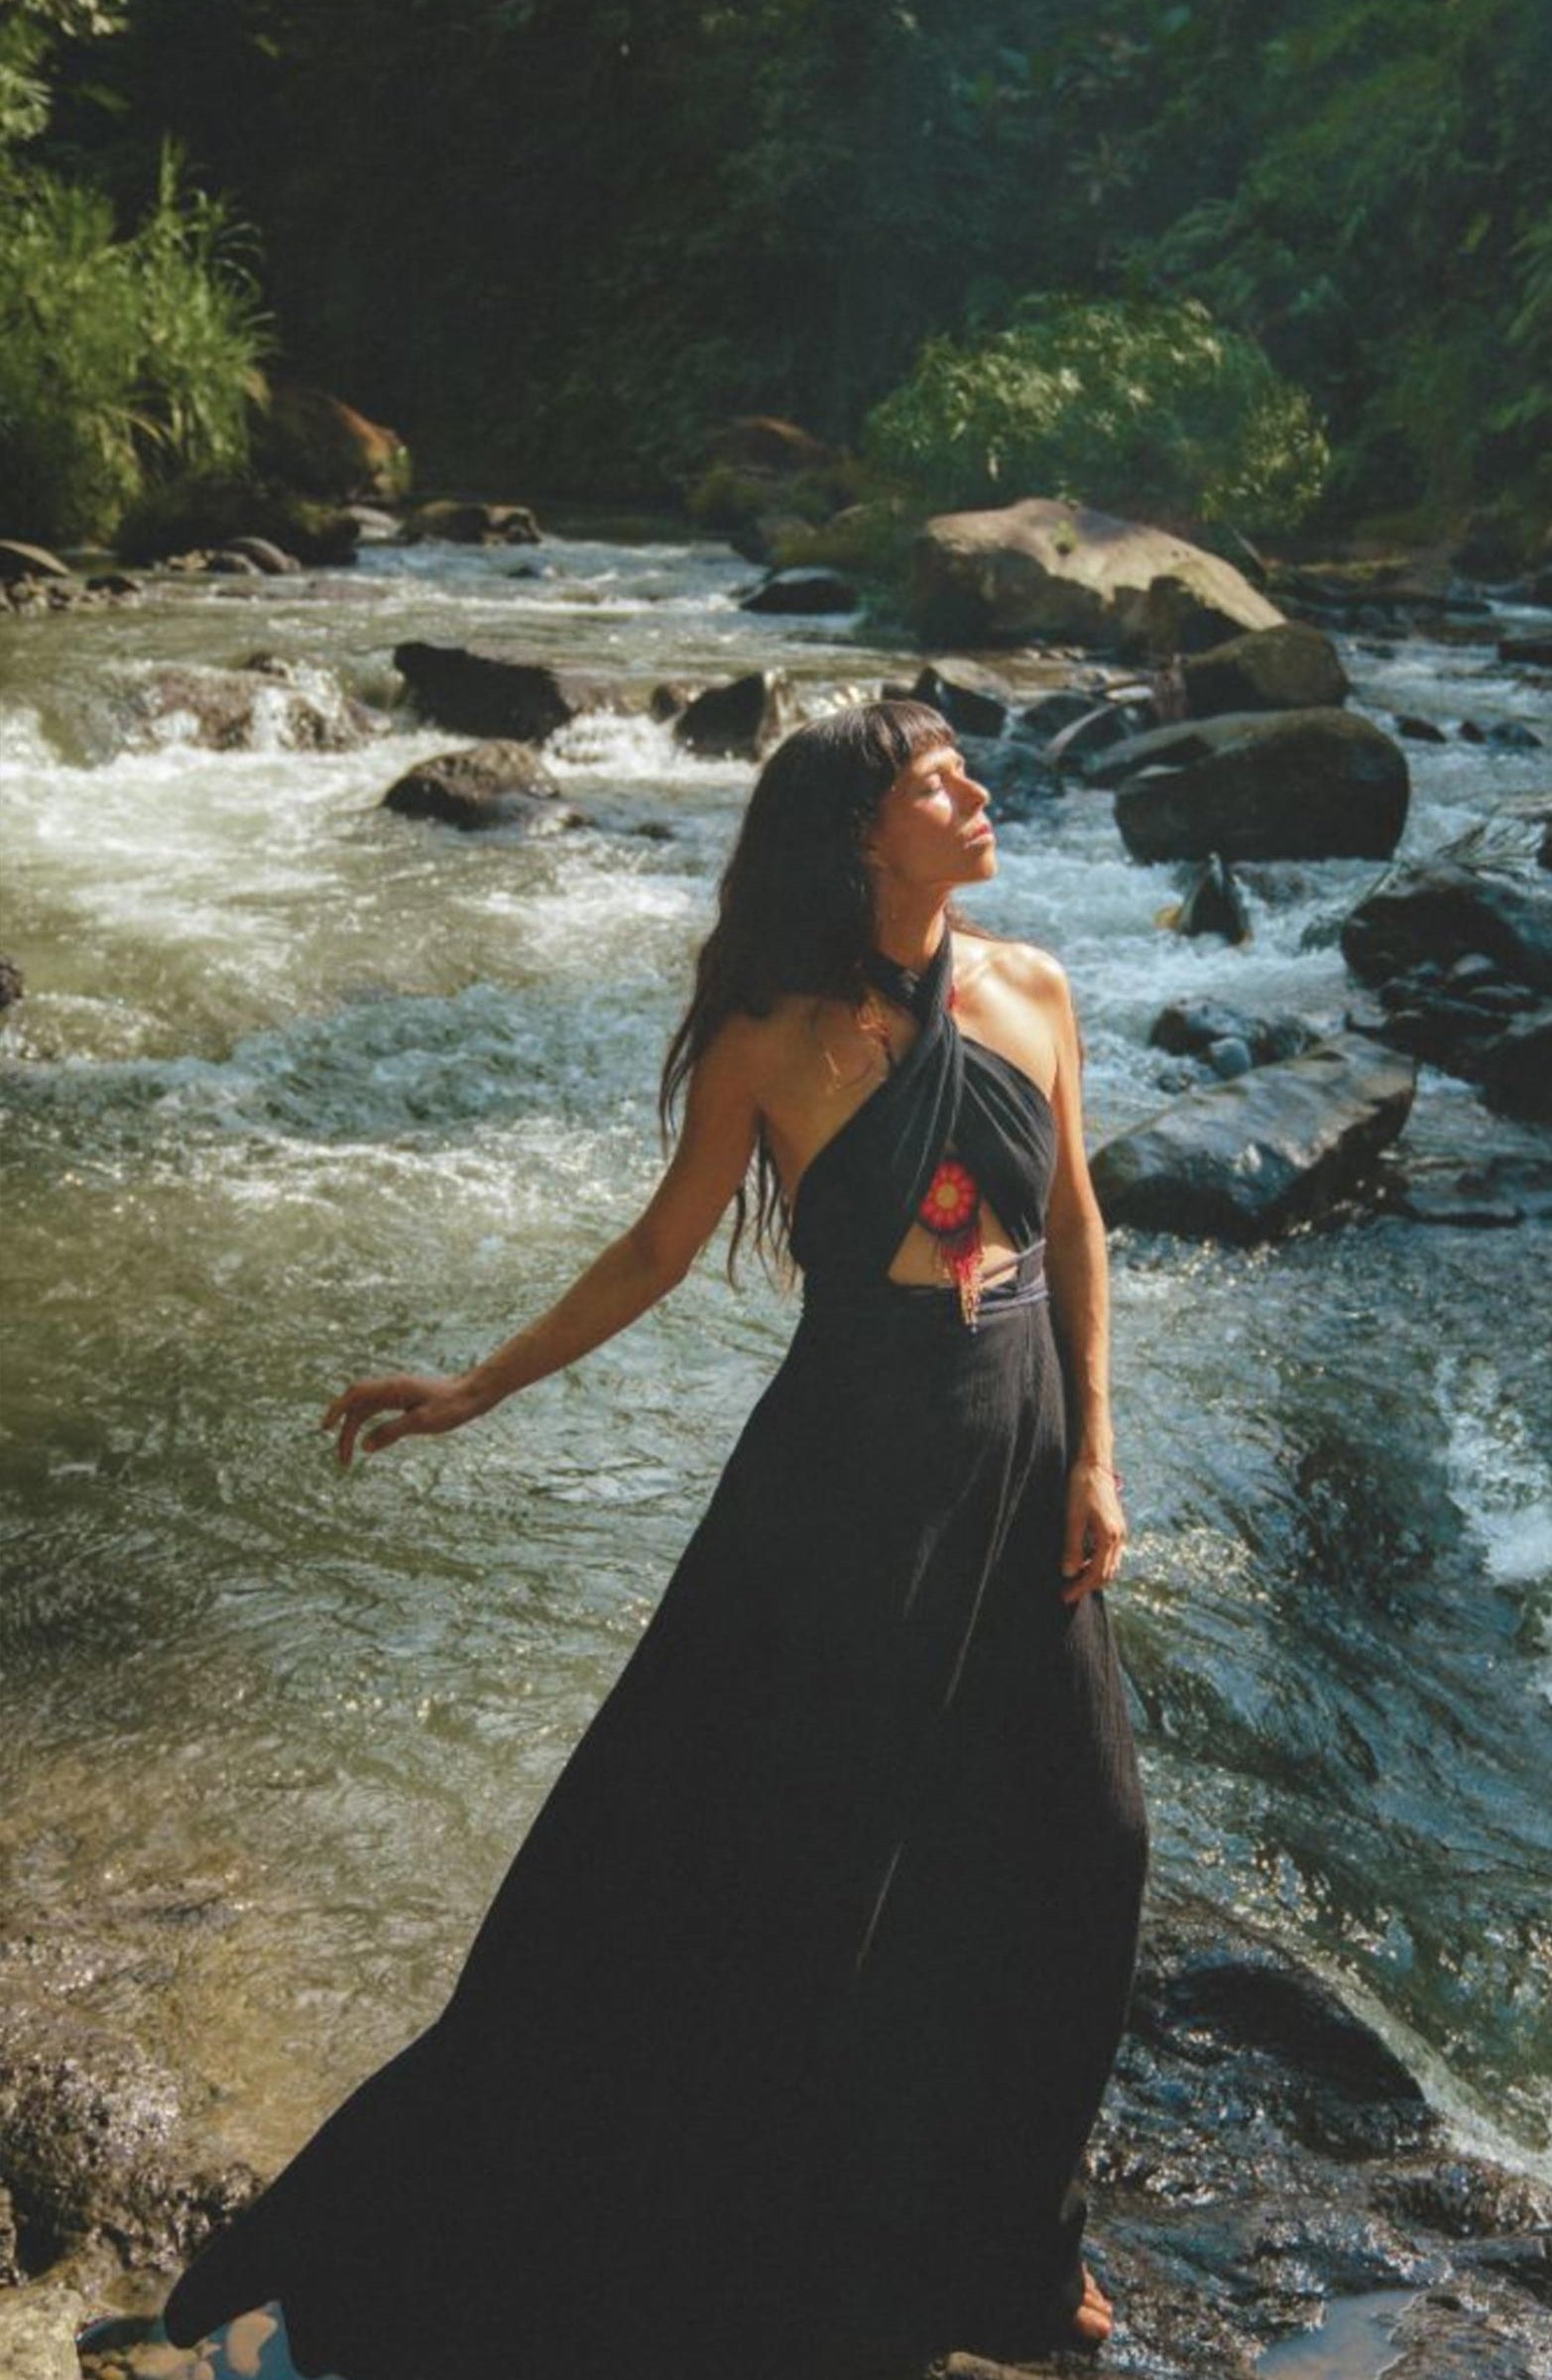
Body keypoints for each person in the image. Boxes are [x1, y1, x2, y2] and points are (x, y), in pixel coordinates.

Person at [156, 698, 1151, 2380]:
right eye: (938, 781)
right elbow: (655, 1255)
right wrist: (477, 1387)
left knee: (1085, 1842)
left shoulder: (1033, 989)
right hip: (844, 1496)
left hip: (1021, 1471)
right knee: (757, 1884)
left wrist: (1098, 1459)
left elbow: (1073, 1227)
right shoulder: (773, 1039)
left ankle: (1016, 2242)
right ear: (861, 837)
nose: (977, 792)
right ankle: (718, 2247)